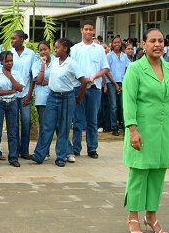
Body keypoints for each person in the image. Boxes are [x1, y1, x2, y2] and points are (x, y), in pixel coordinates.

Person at [123, 28, 169, 233]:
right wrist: (133, 130)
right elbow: (129, 101)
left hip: (163, 131)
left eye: (160, 41)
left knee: (158, 172)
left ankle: (151, 216)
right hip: (141, 130)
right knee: (139, 173)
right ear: (144, 45)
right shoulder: (135, 69)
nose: (157, 44)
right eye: (152, 41)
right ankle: (133, 217)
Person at [30, 38, 88, 167]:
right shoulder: (54, 61)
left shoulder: (71, 64)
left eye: (57, 48)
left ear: (65, 49)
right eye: (54, 47)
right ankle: (39, 155)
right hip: (52, 96)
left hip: (66, 98)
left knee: (63, 128)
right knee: (47, 126)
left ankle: (61, 157)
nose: (55, 50)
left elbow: (83, 81)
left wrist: (79, 97)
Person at [69, 20, 109, 160]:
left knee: (92, 120)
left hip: (94, 88)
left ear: (93, 31)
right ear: (81, 30)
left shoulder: (99, 49)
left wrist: (94, 77)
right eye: (85, 29)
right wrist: (82, 79)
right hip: (78, 87)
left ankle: (92, 148)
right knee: (78, 120)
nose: (88, 32)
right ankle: (76, 148)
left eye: (90, 29)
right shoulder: (75, 49)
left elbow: (105, 68)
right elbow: (71, 68)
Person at [0, 51, 24, 168]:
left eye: (11, 61)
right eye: (7, 61)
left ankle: (13, 157)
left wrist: (10, 76)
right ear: (1, 62)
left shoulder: (16, 73)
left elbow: (19, 88)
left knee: (12, 132)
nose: (9, 63)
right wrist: (10, 91)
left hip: (12, 103)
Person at [10, 30, 35, 159]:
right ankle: (14, 150)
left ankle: (24, 150)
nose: (12, 41)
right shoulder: (10, 53)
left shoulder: (30, 54)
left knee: (26, 121)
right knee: (13, 123)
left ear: (21, 39)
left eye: (14, 38)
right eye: (11, 39)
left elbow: (32, 75)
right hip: (13, 94)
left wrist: (29, 94)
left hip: (25, 93)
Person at [31, 41, 53, 157]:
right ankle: (44, 152)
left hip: (55, 96)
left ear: (50, 49)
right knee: (44, 125)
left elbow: (58, 78)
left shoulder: (56, 61)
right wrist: (43, 66)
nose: (43, 52)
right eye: (40, 50)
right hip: (42, 98)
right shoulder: (36, 64)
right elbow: (38, 81)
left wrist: (48, 82)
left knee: (57, 125)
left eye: (45, 49)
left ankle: (67, 151)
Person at [106, 37, 130, 136]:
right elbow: (107, 71)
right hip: (112, 83)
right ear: (112, 44)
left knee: (123, 105)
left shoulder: (124, 56)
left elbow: (128, 68)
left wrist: (125, 81)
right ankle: (114, 127)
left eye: (119, 42)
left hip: (123, 82)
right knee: (113, 106)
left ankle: (125, 126)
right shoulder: (109, 56)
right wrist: (115, 84)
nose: (117, 44)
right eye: (115, 42)